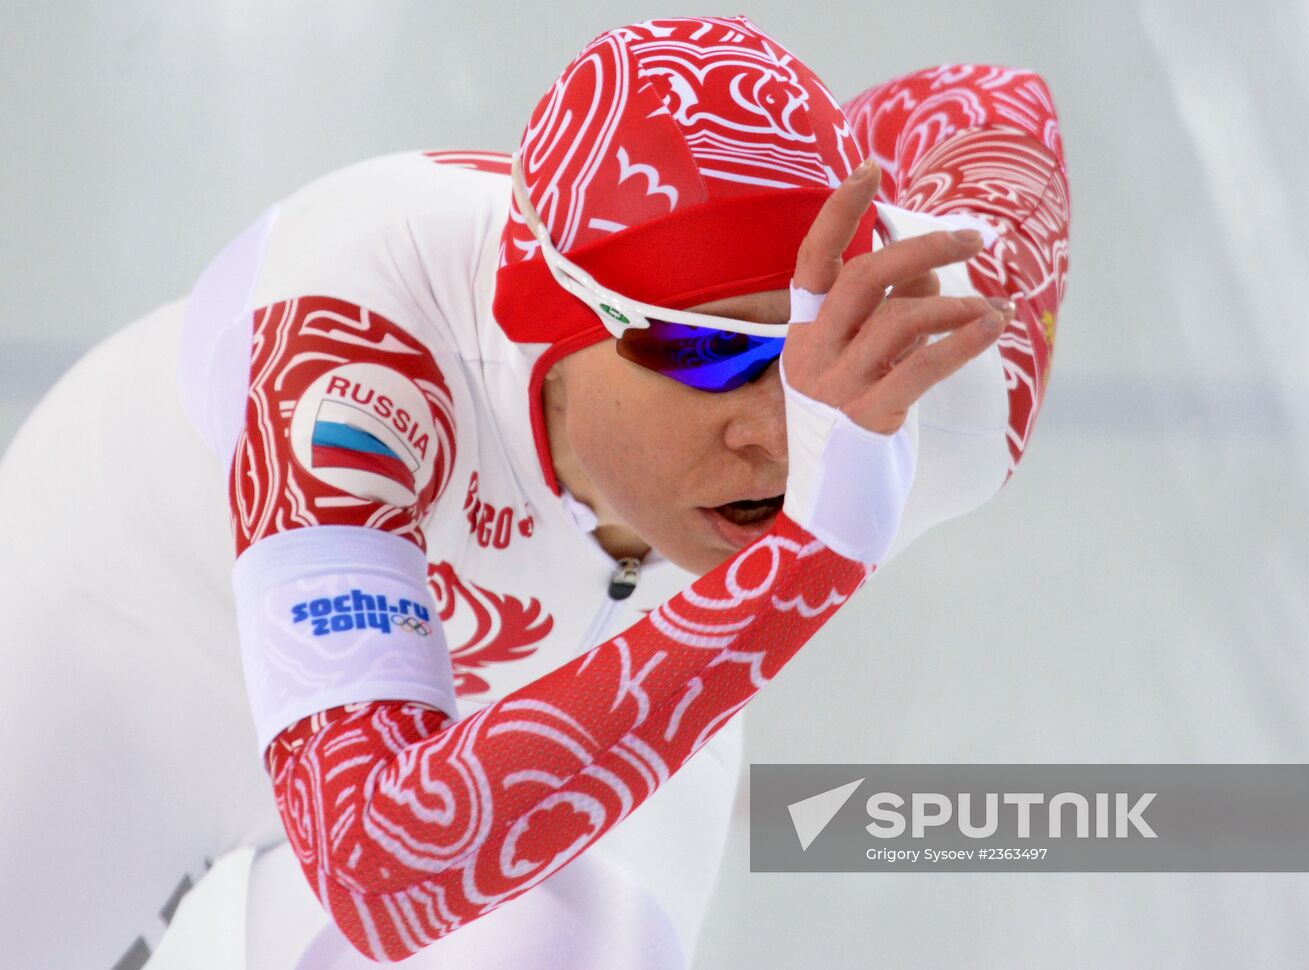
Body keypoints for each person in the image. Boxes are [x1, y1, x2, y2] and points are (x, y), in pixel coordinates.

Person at [0, 15, 1069, 969]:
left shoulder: (921, 376)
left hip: (546, 697)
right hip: (135, 653)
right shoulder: (356, 346)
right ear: (544, 315)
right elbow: (377, 864)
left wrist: (802, 194)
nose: (783, 433)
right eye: (707, 353)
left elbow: (987, 100)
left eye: (807, 347)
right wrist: (810, 561)